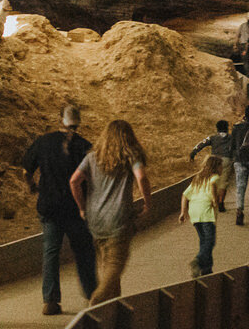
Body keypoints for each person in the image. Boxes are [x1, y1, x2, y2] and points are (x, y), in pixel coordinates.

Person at [21, 105, 98, 316]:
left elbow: (26, 170)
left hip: (49, 206)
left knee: (51, 252)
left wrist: (32, 186)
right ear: (79, 121)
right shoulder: (84, 146)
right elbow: (91, 179)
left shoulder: (43, 142)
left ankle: (50, 301)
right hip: (75, 208)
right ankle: (92, 295)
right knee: (84, 251)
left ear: (59, 119)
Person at [70, 120, 152, 305]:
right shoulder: (131, 156)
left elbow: (74, 181)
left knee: (106, 266)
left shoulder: (92, 158)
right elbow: (141, 177)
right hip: (119, 219)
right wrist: (147, 202)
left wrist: (82, 208)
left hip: (95, 219)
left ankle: (114, 310)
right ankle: (96, 302)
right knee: (114, 266)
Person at [179, 156, 227, 278]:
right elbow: (212, 186)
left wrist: (183, 212)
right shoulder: (215, 177)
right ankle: (198, 261)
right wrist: (216, 201)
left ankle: (207, 269)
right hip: (206, 213)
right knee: (210, 241)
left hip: (195, 213)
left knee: (204, 242)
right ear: (216, 167)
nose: (222, 168)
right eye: (221, 166)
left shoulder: (198, 178)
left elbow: (185, 195)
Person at [190, 119, 234, 189]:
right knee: (223, 183)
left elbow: (202, 144)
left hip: (214, 160)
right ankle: (220, 199)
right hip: (226, 159)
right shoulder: (232, 138)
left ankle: (212, 195)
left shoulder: (212, 137)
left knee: (211, 180)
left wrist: (193, 152)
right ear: (227, 128)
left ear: (217, 128)